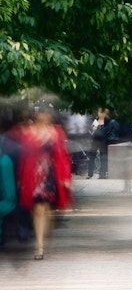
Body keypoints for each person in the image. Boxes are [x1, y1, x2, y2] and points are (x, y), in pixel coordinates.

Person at [16, 105, 72, 260]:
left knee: (46, 209)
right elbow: (24, 155)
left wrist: (66, 177)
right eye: (41, 113)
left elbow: (63, 156)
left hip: (50, 174)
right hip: (32, 175)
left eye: (46, 113)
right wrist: (21, 177)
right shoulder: (29, 132)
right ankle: (39, 246)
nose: (44, 116)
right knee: (38, 209)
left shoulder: (56, 132)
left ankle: (44, 238)